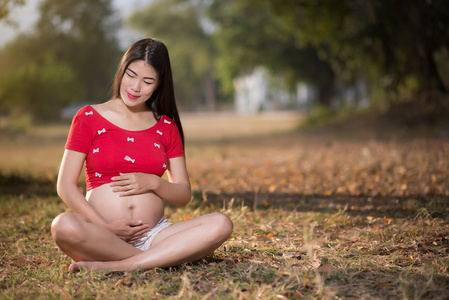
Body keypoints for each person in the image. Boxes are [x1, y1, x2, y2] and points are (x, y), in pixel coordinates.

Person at [51, 38, 233, 272]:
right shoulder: (89, 117)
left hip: (155, 234)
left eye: (147, 81)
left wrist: (154, 182)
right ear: (121, 70)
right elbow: (65, 186)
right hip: (102, 234)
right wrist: (106, 226)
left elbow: (183, 194)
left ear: (159, 85)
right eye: (131, 75)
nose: (135, 87)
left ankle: (121, 265)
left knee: (221, 223)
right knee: (63, 225)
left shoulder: (166, 126)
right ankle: (161, 259)